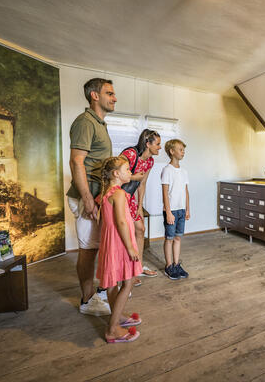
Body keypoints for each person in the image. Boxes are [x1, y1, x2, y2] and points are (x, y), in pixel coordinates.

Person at [67, 78, 115, 316]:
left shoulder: (100, 123)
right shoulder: (85, 122)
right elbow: (76, 161)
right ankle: (87, 300)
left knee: (96, 247)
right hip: (88, 197)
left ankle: (97, 293)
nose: (114, 97)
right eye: (109, 93)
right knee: (88, 250)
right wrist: (87, 199)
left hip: (98, 196)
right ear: (94, 95)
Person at [96, 156, 142, 343]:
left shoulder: (105, 193)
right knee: (128, 282)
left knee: (112, 283)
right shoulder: (120, 194)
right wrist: (131, 246)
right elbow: (122, 221)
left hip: (110, 243)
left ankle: (118, 316)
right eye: (127, 170)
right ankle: (112, 329)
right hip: (121, 243)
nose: (130, 172)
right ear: (116, 174)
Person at [120, 129, 161, 285]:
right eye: (157, 144)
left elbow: (142, 184)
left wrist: (139, 206)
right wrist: (132, 177)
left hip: (130, 198)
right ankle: (126, 272)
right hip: (118, 197)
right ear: (147, 143)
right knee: (126, 234)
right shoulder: (130, 154)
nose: (159, 147)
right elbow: (114, 173)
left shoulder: (150, 161)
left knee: (141, 229)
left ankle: (137, 268)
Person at [161, 139, 190, 280]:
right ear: (172, 152)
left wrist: (187, 209)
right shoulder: (167, 170)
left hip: (181, 210)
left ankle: (176, 264)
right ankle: (168, 266)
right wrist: (168, 212)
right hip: (171, 211)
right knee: (170, 238)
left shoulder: (184, 171)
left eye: (183, 150)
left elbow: (186, 191)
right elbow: (165, 193)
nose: (183, 152)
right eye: (180, 149)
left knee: (178, 238)